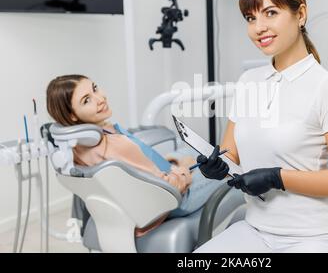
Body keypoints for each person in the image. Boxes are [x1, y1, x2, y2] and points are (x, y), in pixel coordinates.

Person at [194, 0, 328, 253]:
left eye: (270, 13)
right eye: (250, 18)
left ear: (301, 15)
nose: (258, 27)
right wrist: (217, 166)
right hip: (255, 231)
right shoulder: (248, 81)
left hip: (313, 238)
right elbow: (231, 155)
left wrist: (278, 177)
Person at [46, 74, 225, 236]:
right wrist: (184, 170)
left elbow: (137, 171)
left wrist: (174, 163)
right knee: (226, 161)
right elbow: (166, 189)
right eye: (86, 100)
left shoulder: (76, 149)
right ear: (72, 115)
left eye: (95, 88)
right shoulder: (114, 146)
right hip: (174, 200)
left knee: (188, 151)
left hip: (138, 203)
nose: (100, 98)